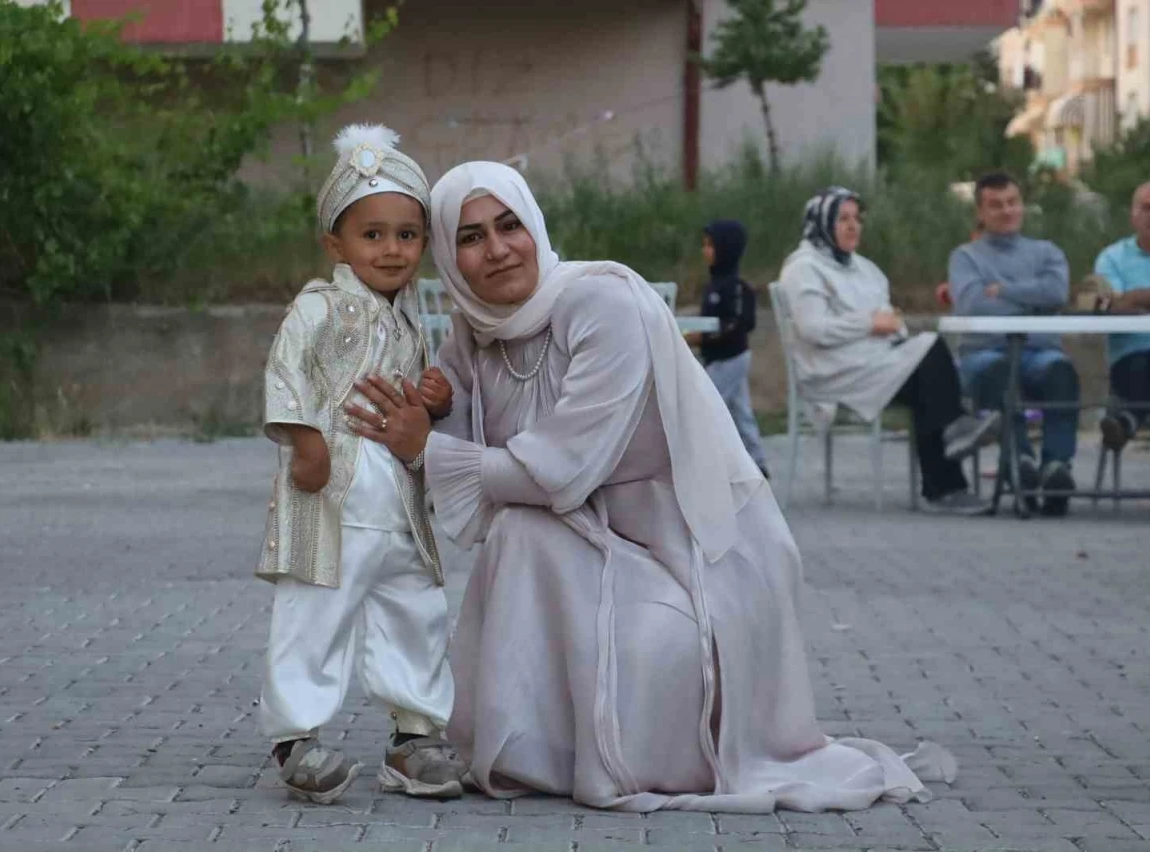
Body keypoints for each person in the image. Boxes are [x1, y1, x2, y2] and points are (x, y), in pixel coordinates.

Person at [347, 161, 958, 813]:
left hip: (688, 548)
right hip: (586, 540)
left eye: (509, 225)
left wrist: (427, 447)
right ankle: (535, 754)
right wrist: (432, 412)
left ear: (536, 226)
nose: (497, 250)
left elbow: (558, 469)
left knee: (564, 565)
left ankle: (598, 751)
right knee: (519, 533)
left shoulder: (604, 303)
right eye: (470, 238)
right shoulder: (475, 331)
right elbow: (462, 451)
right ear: (447, 255)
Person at [254, 124, 465, 804]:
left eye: (407, 235)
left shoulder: (410, 320)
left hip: (397, 504)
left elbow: (412, 401)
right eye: (372, 234)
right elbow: (286, 373)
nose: (392, 249)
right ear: (336, 244)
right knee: (314, 614)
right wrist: (305, 442)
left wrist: (435, 399)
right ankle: (297, 738)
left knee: (416, 611)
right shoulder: (316, 307)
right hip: (333, 500)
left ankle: (415, 738)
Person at [778, 186, 997, 515]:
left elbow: (888, 319)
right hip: (832, 369)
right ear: (821, 222)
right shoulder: (803, 269)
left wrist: (889, 327)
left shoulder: (864, 268)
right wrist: (869, 323)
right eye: (842, 219)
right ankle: (950, 460)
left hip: (873, 360)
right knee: (930, 360)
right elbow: (814, 329)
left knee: (928, 377)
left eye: (857, 219)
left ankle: (946, 480)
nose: (853, 226)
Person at [948, 171, 1080, 516]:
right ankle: (1020, 461)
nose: (1007, 211)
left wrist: (1004, 290)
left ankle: (1056, 467)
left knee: (1061, 372)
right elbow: (973, 304)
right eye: (996, 205)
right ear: (980, 212)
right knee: (998, 373)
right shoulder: (965, 257)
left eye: (1012, 202)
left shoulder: (1047, 252)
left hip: (1040, 351)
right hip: (985, 352)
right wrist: (1033, 302)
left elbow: (1057, 293)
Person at [1093, 180, 1150, 514]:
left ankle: (1128, 418)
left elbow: (1126, 300)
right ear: (1133, 215)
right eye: (1147, 208)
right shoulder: (1112, 258)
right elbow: (1111, 304)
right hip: (1130, 363)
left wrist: (1138, 296)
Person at [686, 220, 770, 475]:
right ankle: (756, 462)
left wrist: (703, 337)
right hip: (718, 357)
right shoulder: (714, 285)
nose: (705, 251)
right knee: (739, 410)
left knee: (704, 404)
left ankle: (704, 462)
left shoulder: (736, 288)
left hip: (731, 357)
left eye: (710, 246)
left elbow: (738, 323)